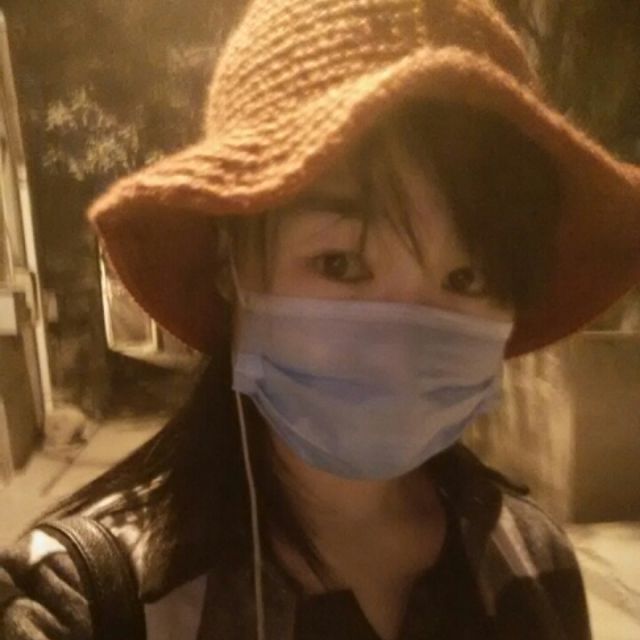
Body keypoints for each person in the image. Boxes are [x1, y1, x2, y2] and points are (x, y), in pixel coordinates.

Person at [2, 1, 639, 638]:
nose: (399, 347)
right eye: (341, 263)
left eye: (467, 278)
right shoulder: (87, 600)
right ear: (230, 265)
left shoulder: (533, 563)